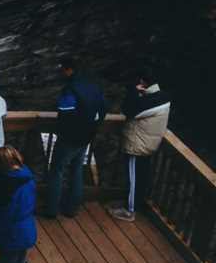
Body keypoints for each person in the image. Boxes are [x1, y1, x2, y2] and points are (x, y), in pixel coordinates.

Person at [45, 57, 105, 218]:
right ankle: (71, 209)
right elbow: (102, 111)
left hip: (69, 138)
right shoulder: (94, 87)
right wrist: (92, 128)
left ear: (68, 69)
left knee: (57, 170)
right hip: (87, 136)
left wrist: (62, 130)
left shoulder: (70, 89)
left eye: (63, 69)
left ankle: (51, 210)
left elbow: (65, 113)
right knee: (77, 169)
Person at [109, 69, 171, 222]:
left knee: (134, 178)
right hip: (148, 144)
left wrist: (132, 91)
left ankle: (130, 211)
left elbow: (129, 109)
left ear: (143, 82)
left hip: (138, 145)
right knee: (141, 176)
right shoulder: (161, 97)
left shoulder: (151, 101)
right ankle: (134, 203)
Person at [0, 146, 37, 263]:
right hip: (26, 229)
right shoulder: (27, 177)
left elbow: (6, 213)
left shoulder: (8, 186)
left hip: (11, 234)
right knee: (20, 262)